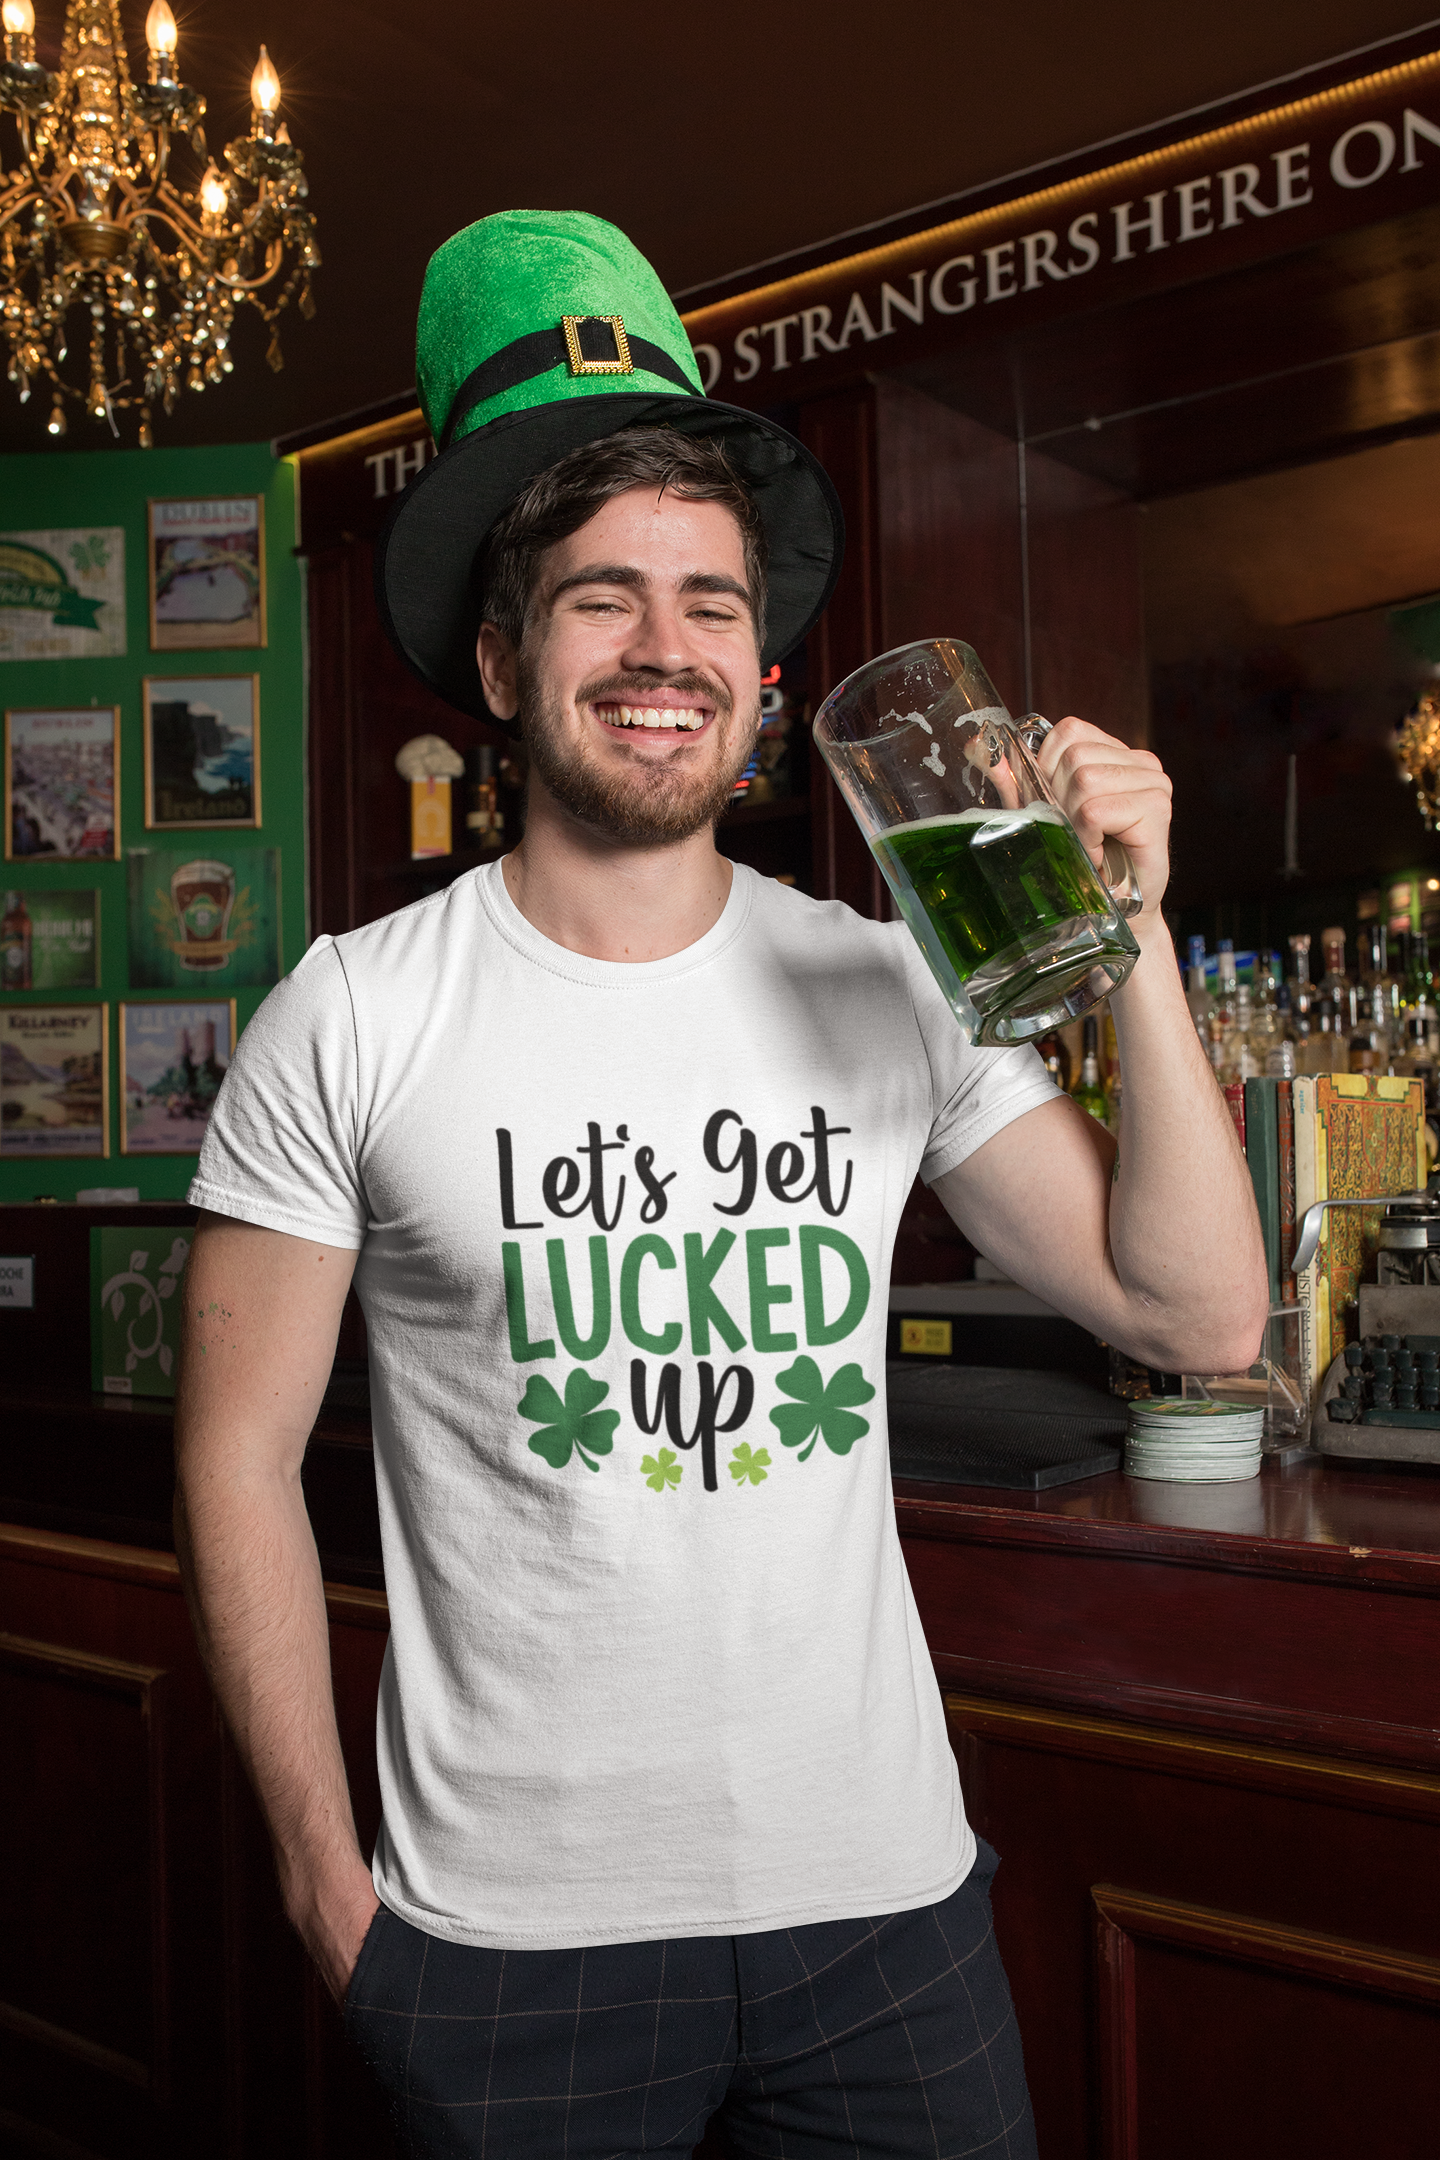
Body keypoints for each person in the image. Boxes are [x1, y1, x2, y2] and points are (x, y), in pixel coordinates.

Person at [174, 211, 1268, 2159]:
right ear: (503, 662)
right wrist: (325, 1895)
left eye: (710, 603)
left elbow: (1197, 1317)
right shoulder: (350, 1017)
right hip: (510, 1944)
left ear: (763, 679)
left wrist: (1144, 942)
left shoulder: (880, 977)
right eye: (603, 601)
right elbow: (236, 1456)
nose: (669, 650)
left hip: (886, 1919)